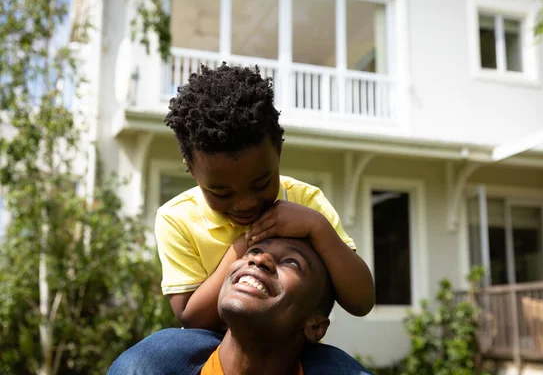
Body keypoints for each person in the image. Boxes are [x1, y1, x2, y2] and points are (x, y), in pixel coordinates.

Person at [117, 64, 375, 373]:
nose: (245, 203)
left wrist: (317, 227)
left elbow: (360, 301)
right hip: (208, 341)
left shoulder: (306, 202)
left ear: (278, 151)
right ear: (191, 169)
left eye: (260, 183)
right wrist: (245, 244)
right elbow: (191, 316)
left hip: (288, 342)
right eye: (221, 192)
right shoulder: (177, 217)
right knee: (148, 359)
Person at [108, 238, 372, 375]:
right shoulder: (146, 366)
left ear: (315, 326)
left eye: (292, 263)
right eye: (253, 250)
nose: (260, 260)